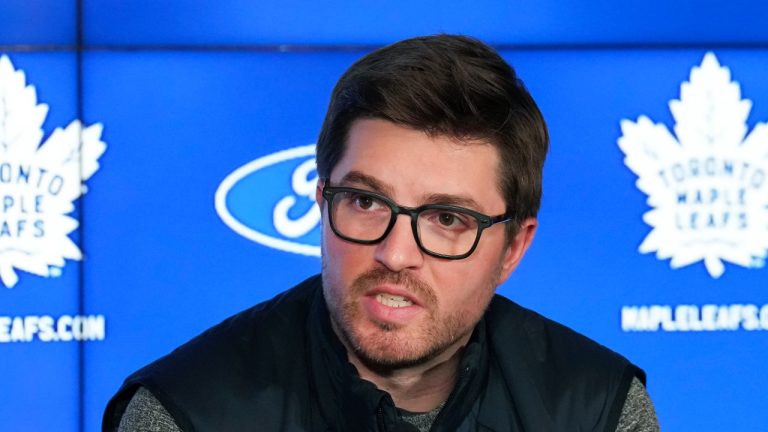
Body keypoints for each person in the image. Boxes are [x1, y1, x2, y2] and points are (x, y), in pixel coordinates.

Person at [104, 34, 659, 431]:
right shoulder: (183, 413)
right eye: (366, 201)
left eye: (447, 219)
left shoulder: (599, 411)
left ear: (513, 247)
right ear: (323, 204)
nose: (396, 254)